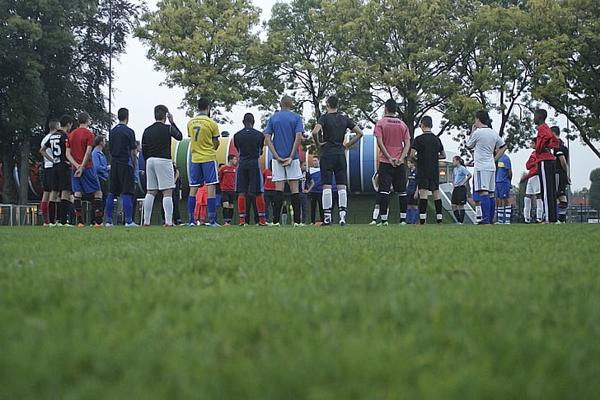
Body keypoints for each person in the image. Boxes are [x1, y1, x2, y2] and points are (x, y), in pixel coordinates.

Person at [310, 95, 364, 226]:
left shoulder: (324, 117)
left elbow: (314, 132)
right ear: (337, 105)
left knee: (326, 185)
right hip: (340, 154)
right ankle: (342, 217)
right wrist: (347, 145)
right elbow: (360, 133)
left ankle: (327, 217)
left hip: (327, 153)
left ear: (327, 104)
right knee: (341, 186)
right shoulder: (344, 118)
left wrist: (319, 145)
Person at [264, 96, 305, 226]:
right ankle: (297, 221)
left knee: (278, 189)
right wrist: (291, 156)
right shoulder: (297, 118)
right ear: (291, 104)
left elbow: (267, 137)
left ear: (280, 104)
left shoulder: (273, 118)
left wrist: (276, 155)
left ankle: (276, 221)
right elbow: (298, 137)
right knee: (295, 189)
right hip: (293, 158)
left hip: (278, 159)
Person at [141, 105, 183, 226]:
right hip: (163, 160)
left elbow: (144, 148)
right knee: (167, 192)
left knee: (150, 192)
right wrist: (173, 122)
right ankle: (169, 222)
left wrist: (147, 160)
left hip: (150, 161)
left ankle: (146, 221)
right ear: (165, 115)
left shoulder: (147, 130)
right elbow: (179, 136)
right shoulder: (168, 128)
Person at [373, 98, 411, 225]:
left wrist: (389, 157)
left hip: (385, 161)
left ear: (385, 108)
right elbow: (407, 143)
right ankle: (403, 220)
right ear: (396, 109)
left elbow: (380, 142)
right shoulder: (402, 124)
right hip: (399, 163)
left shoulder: (380, 123)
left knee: (384, 190)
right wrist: (401, 158)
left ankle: (384, 220)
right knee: (402, 192)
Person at [465, 110, 507, 224]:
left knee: (483, 192)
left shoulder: (478, 133)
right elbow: (503, 146)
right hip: (491, 166)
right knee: (491, 193)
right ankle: (491, 219)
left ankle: (486, 219)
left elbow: (469, 145)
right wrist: (495, 158)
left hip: (481, 167)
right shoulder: (493, 133)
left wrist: (472, 132)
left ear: (478, 119)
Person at [186, 98, 221, 227]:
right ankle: (212, 220)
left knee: (193, 188)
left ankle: (191, 220)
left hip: (194, 158)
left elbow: (191, 138)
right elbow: (216, 142)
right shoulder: (211, 123)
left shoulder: (190, 122)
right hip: (208, 157)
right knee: (211, 187)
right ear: (208, 107)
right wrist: (213, 147)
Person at [67, 112, 103, 227]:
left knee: (77, 193)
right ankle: (98, 221)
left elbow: (67, 154)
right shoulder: (89, 134)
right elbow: (88, 152)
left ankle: (80, 222)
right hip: (87, 167)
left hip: (74, 168)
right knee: (97, 192)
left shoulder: (71, 135)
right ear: (87, 120)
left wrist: (76, 166)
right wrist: (82, 166)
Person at [105, 108, 138, 227]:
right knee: (127, 192)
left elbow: (110, 149)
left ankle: (108, 220)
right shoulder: (129, 131)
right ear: (127, 117)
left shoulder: (112, 131)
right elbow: (133, 152)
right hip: (125, 163)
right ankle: (128, 220)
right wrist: (134, 165)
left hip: (114, 163)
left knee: (112, 192)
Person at [410, 116, 446, 224]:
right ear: (431, 125)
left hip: (422, 169)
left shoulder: (419, 139)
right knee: (436, 193)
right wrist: (434, 157)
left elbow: (412, 155)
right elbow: (443, 155)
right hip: (434, 169)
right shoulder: (436, 139)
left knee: (423, 193)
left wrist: (418, 159)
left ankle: (422, 219)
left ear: (422, 125)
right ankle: (439, 219)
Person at [233, 113, 268, 226]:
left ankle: (242, 220)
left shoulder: (237, 135)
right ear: (254, 122)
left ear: (243, 122)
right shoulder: (259, 135)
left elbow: (238, 149)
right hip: (254, 163)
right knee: (258, 192)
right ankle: (262, 220)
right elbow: (260, 150)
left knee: (242, 192)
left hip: (242, 163)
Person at [43, 115, 77, 226]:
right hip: (64, 166)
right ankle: (63, 221)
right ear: (68, 124)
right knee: (65, 192)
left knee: (54, 192)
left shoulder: (52, 136)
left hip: (54, 166)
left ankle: (52, 221)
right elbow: (68, 151)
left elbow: (42, 150)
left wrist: (52, 159)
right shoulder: (65, 136)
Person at [534, 109, 560, 223]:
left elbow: (549, 136)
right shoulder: (545, 127)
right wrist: (549, 146)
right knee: (550, 189)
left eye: (535, 116)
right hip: (548, 159)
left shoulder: (542, 128)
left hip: (544, 160)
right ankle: (553, 217)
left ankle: (549, 218)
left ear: (539, 117)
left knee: (546, 190)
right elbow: (555, 141)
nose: (533, 118)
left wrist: (540, 147)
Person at [39, 119, 60, 226]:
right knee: (54, 193)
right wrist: (53, 159)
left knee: (45, 194)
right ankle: (53, 219)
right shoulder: (54, 138)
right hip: (53, 167)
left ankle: (45, 221)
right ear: (56, 126)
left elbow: (41, 151)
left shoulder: (44, 139)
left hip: (45, 167)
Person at [552, 126, 570, 223]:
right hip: (561, 173)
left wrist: (565, 172)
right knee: (560, 194)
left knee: (559, 194)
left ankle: (561, 219)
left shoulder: (557, 146)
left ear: (553, 133)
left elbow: (562, 160)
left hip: (558, 173)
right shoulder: (563, 146)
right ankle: (560, 218)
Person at [523, 150, 544, 223]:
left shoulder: (541, 153)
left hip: (536, 176)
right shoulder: (533, 153)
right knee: (527, 196)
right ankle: (527, 217)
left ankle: (539, 217)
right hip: (530, 177)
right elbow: (527, 165)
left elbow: (538, 166)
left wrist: (534, 164)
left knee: (538, 196)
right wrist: (533, 163)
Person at [451, 156, 471, 224]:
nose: (452, 162)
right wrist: (453, 184)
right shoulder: (454, 169)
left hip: (461, 188)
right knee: (453, 205)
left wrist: (463, 182)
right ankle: (458, 219)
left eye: (453, 160)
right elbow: (453, 178)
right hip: (456, 188)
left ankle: (461, 221)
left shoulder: (462, 168)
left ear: (457, 161)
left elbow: (469, 175)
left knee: (460, 205)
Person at [219, 155, 237, 225]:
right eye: (235, 159)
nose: (236, 161)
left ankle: (229, 221)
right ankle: (225, 222)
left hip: (232, 190)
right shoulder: (223, 169)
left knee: (231, 206)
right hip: (225, 190)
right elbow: (220, 178)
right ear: (230, 160)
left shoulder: (235, 169)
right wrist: (222, 187)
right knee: (225, 205)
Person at [92, 135, 109, 208]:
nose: (105, 143)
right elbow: (96, 167)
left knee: (105, 198)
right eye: (104, 141)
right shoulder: (95, 153)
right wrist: (106, 168)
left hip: (104, 178)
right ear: (101, 142)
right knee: (99, 198)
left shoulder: (101, 154)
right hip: (99, 178)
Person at [495, 152, 512, 224]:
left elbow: (509, 171)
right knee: (499, 200)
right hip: (497, 182)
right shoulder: (496, 159)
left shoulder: (505, 158)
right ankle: (500, 220)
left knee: (506, 199)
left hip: (504, 182)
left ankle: (507, 220)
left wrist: (508, 181)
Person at [307, 157, 324, 225]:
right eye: (313, 161)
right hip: (313, 191)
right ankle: (312, 221)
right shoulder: (310, 170)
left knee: (321, 207)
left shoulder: (322, 169)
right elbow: (308, 181)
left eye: (316, 160)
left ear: (319, 161)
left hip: (321, 191)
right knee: (312, 207)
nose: (315, 162)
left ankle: (323, 220)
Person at [406, 159, 419, 224]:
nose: (408, 165)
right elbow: (408, 180)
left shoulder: (417, 172)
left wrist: (416, 192)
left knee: (414, 206)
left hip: (414, 191)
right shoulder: (409, 172)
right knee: (408, 206)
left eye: (409, 163)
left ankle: (414, 221)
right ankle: (409, 221)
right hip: (409, 191)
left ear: (412, 163)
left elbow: (418, 183)